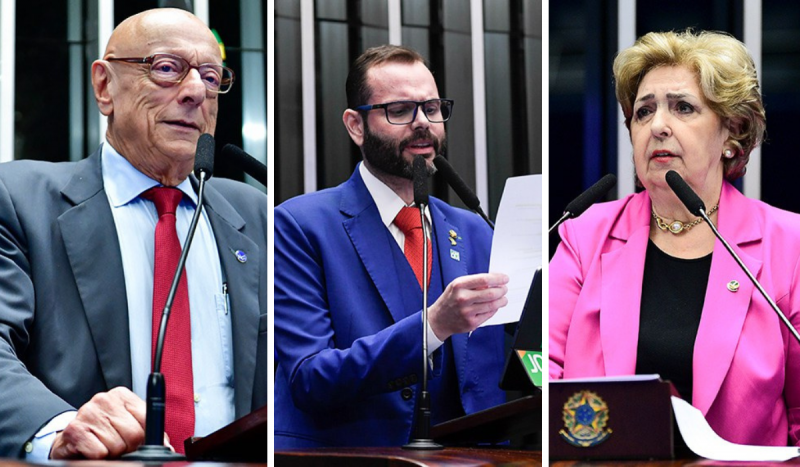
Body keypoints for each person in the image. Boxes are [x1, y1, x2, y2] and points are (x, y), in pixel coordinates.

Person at [0, 8, 269, 459]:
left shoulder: (254, 213)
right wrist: (59, 429)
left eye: (211, 76)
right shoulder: (21, 200)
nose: (194, 92)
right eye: (166, 69)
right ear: (105, 86)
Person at [549, 29, 800, 446]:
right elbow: (543, 378)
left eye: (683, 108)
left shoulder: (788, 243)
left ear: (731, 133)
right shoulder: (585, 235)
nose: (658, 126)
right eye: (643, 112)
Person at [274, 45, 509, 448]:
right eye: (400, 110)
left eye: (432, 108)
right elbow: (310, 377)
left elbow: (505, 368)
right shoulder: (300, 225)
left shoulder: (476, 230)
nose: (423, 124)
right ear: (355, 125)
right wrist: (432, 328)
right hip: (352, 457)